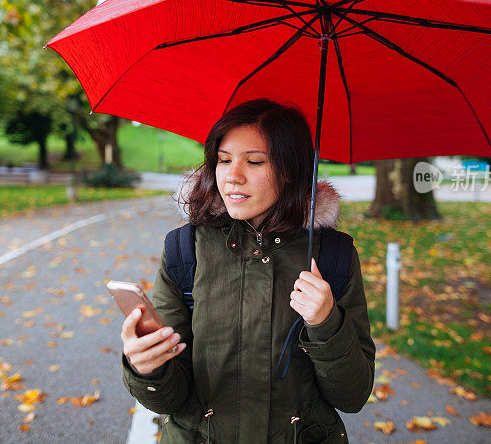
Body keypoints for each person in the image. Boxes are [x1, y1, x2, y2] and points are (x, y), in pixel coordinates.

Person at [120, 99, 375, 443]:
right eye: (224, 160)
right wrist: (147, 367)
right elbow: (169, 399)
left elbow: (352, 396)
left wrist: (327, 322)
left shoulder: (333, 255)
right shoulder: (185, 249)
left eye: (254, 161)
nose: (232, 176)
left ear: (291, 171)